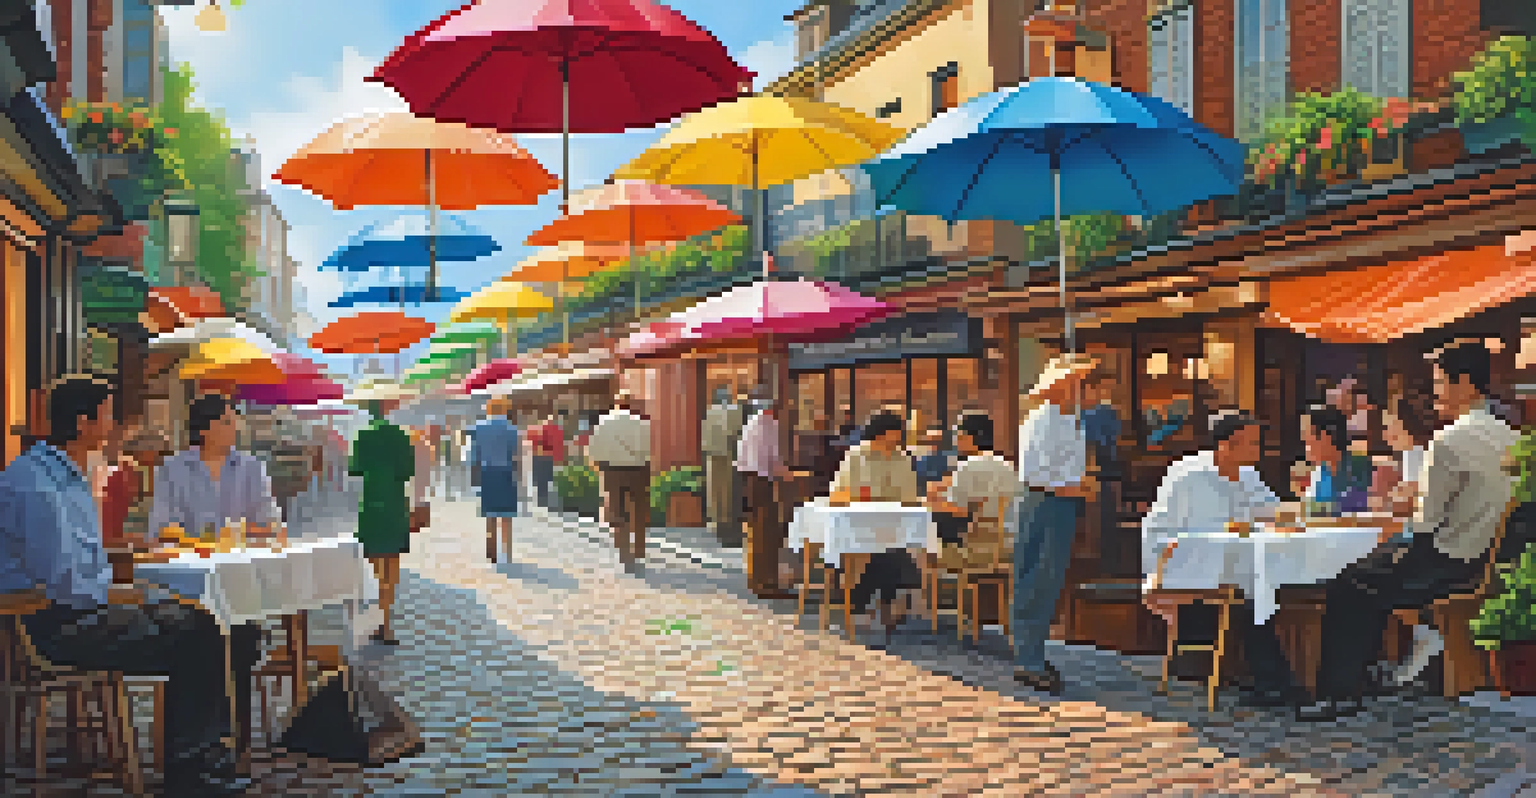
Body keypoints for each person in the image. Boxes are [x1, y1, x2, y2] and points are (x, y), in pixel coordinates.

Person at [2, 377, 257, 795]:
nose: (114, 424)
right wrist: (125, 595)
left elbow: (86, 564)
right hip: (55, 627)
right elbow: (65, 584)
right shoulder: (38, 485)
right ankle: (191, 771)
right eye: (107, 414)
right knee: (194, 635)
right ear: (84, 422)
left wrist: (126, 591)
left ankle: (204, 759)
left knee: (207, 623)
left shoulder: (68, 475)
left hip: (83, 610)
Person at [1297, 341, 1520, 720]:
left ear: (1464, 383)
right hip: (1490, 560)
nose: (1435, 393)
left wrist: (1400, 517)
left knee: (1349, 582)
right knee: (1370, 574)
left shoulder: (1449, 441)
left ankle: (1339, 693)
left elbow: (1425, 523)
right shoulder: (1512, 438)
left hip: (1448, 561)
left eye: (1439, 382)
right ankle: (1364, 677)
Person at [1141, 410, 1300, 707]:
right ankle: (1271, 680)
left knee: (1263, 583)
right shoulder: (1191, 476)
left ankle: (1271, 678)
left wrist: (1299, 505)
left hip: (1225, 558)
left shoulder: (1247, 474)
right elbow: (1190, 531)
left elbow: (1270, 509)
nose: (1259, 450)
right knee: (1255, 585)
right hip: (1182, 560)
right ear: (1227, 444)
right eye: (1252, 443)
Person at [1012, 354, 1096, 694]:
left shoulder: (1069, 420)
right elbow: (1035, 474)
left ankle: (1033, 652)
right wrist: (1076, 487)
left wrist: (1079, 485)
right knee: (1037, 576)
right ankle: (1027, 659)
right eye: (1076, 383)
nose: (1081, 388)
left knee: (1050, 577)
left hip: (1061, 502)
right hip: (1045, 502)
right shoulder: (1042, 421)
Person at [829, 411, 922, 640]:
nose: (897, 440)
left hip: (893, 523)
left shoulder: (902, 458)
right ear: (880, 434)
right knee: (881, 549)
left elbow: (910, 496)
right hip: (858, 524)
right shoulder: (856, 456)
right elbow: (838, 493)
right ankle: (885, 604)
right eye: (894, 435)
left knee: (890, 546)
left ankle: (866, 604)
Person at [149, 394, 279, 541]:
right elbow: (161, 527)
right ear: (204, 429)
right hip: (188, 561)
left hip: (241, 558)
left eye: (234, 421)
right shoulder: (172, 469)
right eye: (227, 422)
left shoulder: (252, 468)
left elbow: (270, 522)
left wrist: (235, 535)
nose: (234, 428)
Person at [349, 396, 415, 646]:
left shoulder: (362, 435)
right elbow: (407, 471)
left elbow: (355, 468)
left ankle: (376, 623)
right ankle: (386, 627)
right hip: (396, 503)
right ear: (388, 407)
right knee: (392, 568)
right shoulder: (400, 435)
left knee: (374, 569)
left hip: (372, 503)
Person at [933, 412, 1020, 570]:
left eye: (958, 437)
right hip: (1009, 546)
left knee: (923, 543)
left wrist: (931, 504)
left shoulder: (967, 467)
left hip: (976, 550)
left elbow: (959, 510)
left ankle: (924, 592)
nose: (955, 442)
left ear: (971, 438)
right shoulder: (1008, 466)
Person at [588, 391, 653, 568]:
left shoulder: (605, 422)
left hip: (613, 470)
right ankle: (639, 548)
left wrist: (597, 468)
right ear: (630, 404)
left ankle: (624, 550)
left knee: (618, 510)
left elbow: (594, 449)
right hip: (638, 470)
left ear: (616, 403)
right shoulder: (641, 423)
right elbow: (649, 450)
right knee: (638, 509)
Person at [471, 399, 521, 563]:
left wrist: (474, 477)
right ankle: (507, 552)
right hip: (506, 472)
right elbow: (516, 456)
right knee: (507, 515)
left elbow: (474, 456)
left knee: (490, 514)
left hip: (487, 473)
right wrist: (519, 476)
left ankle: (491, 551)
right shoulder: (512, 430)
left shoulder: (479, 428)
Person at [1301, 405, 1374, 514]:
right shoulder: (1319, 474)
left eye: (1309, 437)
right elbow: (1311, 510)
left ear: (1326, 436)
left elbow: (1366, 505)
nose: (1306, 445)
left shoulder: (1360, 467)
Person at [702, 388, 747, 545]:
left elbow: (705, 434)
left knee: (714, 490)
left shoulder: (709, 413)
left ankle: (716, 521)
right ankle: (726, 522)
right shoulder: (733, 411)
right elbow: (736, 432)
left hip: (711, 453)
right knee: (727, 490)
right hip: (727, 453)